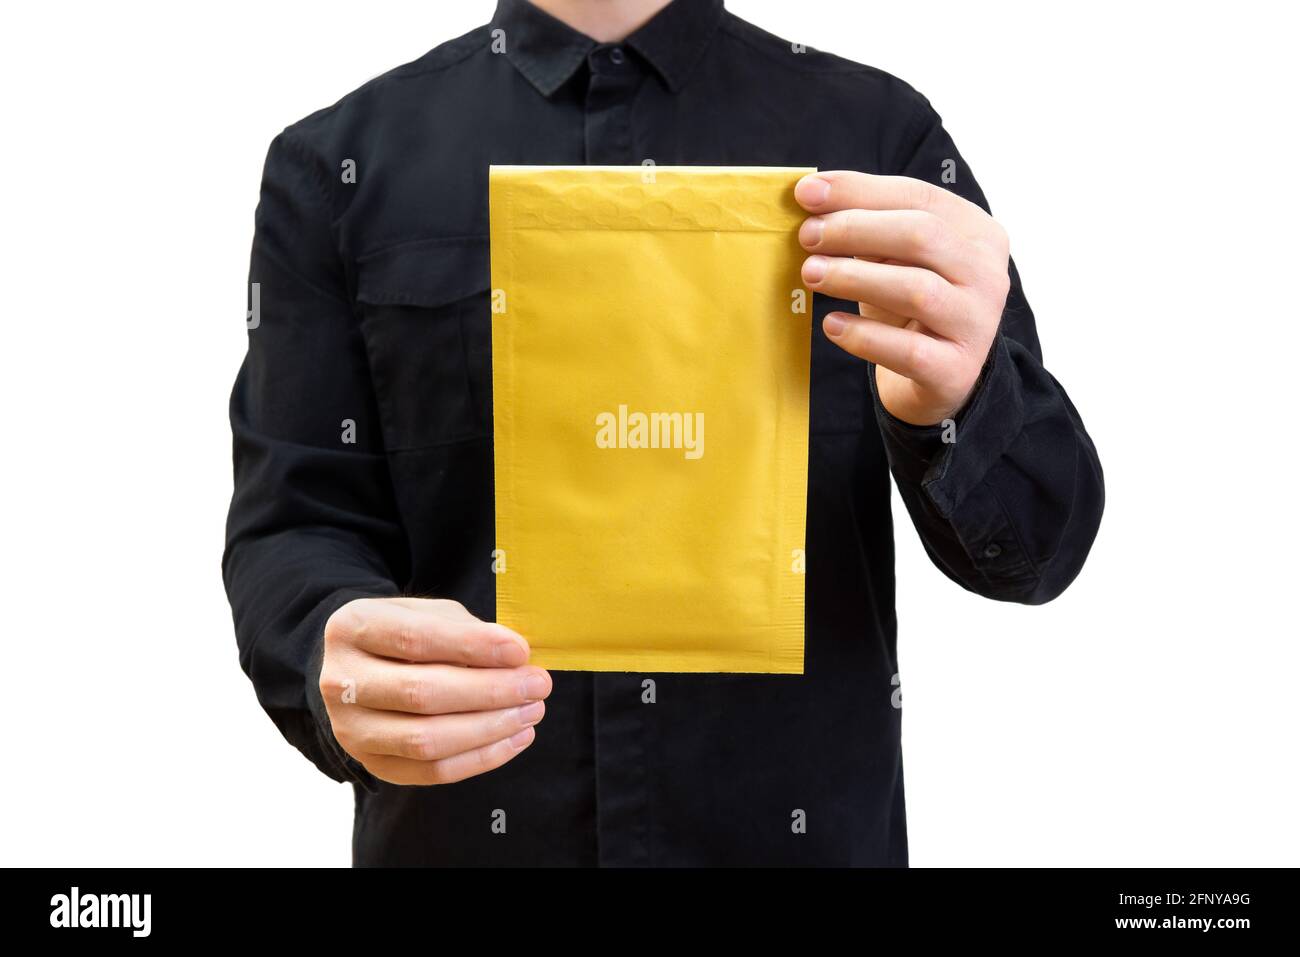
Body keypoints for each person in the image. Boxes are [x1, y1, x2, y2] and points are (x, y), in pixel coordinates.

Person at [224, 0, 1104, 866]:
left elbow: (1035, 549)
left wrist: (960, 399)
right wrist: (324, 650)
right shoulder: (337, 166)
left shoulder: (880, 142)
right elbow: (295, 525)